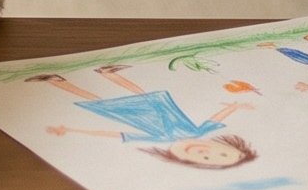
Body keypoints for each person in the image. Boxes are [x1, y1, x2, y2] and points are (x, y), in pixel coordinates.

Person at [27, 67, 260, 169]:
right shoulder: (198, 133)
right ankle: (109, 73)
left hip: (132, 115)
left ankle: (56, 81)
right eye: (219, 152)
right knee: (141, 93)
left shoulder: (160, 138)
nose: (205, 152)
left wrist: (71, 130)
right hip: (160, 106)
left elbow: (117, 134)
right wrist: (235, 106)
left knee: (98, 102)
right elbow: (215, 117)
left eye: (208, 159)